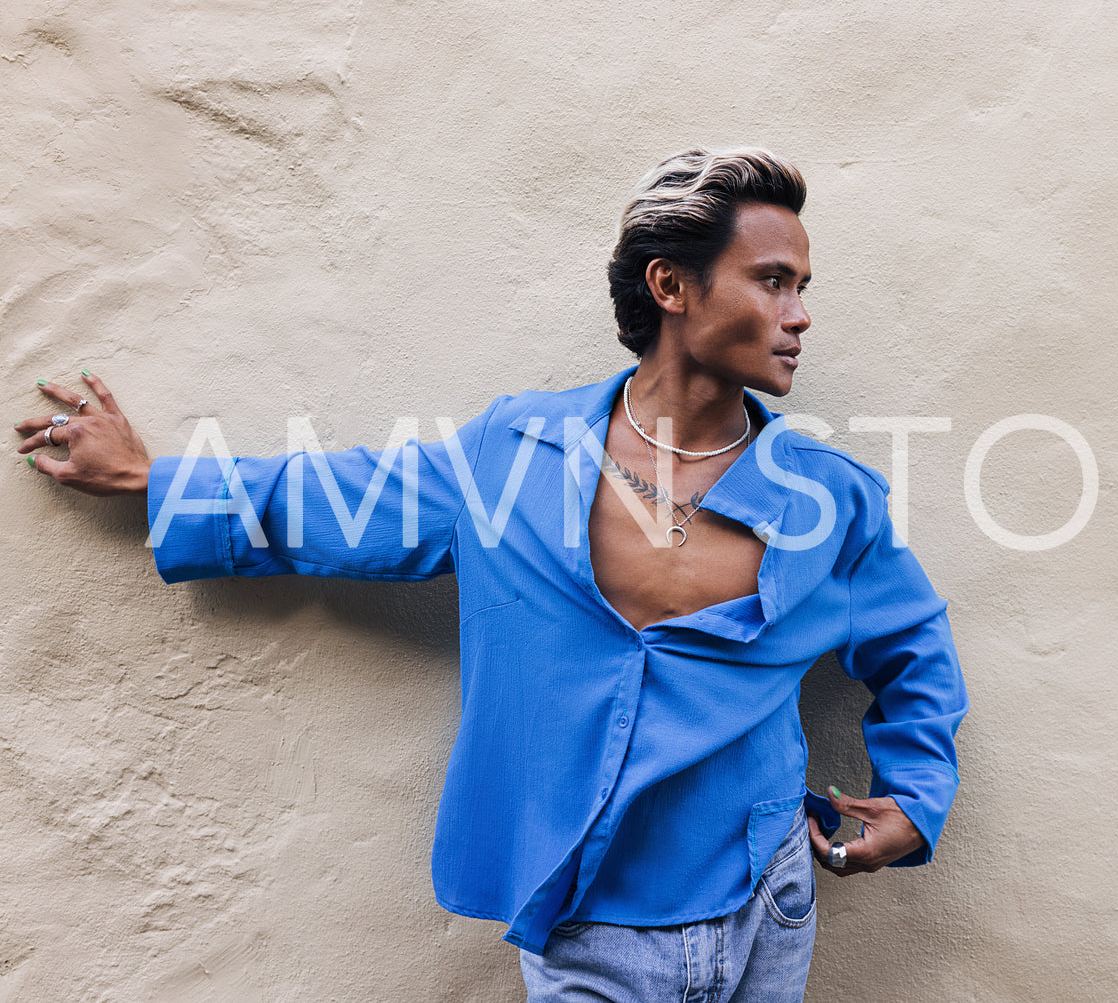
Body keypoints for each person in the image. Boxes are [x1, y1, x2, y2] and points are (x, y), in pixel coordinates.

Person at [16, 147, 968, 1001]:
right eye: (771, 281)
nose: (799, 315)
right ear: (671, 286)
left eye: (802, 285)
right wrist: (151, 480)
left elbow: (913, 646)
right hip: (582, 917)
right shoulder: (514, 455)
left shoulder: (829, 501)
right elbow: (336, 500)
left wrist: (912, 803)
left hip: (766, 900)